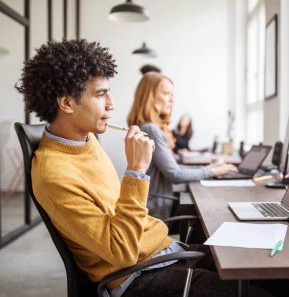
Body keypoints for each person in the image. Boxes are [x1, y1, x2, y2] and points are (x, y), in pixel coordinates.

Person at [16, 39, 266, 297]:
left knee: (266, 267)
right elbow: (121, 252)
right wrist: (136, 170)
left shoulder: (84, 140)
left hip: (162, 251)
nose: (111, 104)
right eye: (100, 94)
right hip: (138, 276)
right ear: (67, 103)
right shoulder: (53, 174)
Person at [126, 72, 238, 219]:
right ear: (149, 97)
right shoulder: (151, 129)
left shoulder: (147, 127)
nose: (172, 100)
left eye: (172, 95)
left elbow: (173, 166)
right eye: (166, 93)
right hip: (156, 210)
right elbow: (175, 174)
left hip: (157, 204)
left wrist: (212, 168)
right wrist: (212, 171)